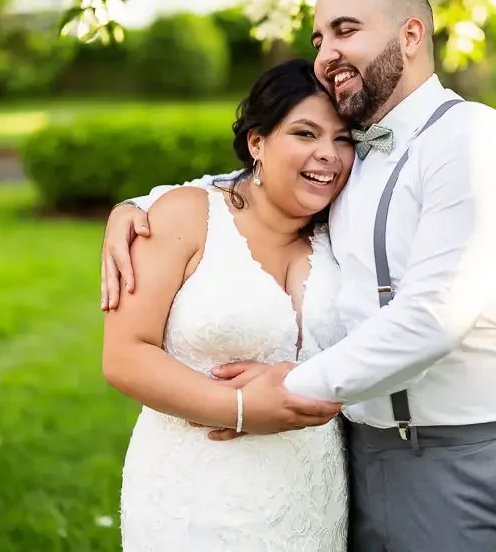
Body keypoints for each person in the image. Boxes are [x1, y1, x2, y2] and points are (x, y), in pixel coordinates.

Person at [104, 0, 496, 551]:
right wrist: (141, 206)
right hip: (355, 458)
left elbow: (434, 317)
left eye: (345, 31)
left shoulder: (472, 139)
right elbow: (259, 186)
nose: (327, 54)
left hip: (459, 452)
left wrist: (292, 386)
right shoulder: (354, 164)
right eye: (319, 39)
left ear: (411, 36)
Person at [102, 58, 357, 550]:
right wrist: (240, 407)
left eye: (343, 139)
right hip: (195, 494)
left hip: (310, 493)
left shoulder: (345, 234)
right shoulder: (187, 215)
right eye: (306, 134)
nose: (328, 154)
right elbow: (125, 355)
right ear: (256, 143)